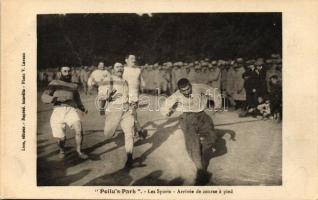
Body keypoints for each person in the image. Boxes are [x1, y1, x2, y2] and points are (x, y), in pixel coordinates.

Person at [160, 78, 222, 185]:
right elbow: (166, 105)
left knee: (213, 137)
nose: (187, 92)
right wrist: (166, 112)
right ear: (179, 90)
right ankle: (200, 171)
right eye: (183, 90)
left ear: (190, 85)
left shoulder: (199, 87)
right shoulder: (177, 95)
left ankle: (198, 151)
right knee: (192, 144)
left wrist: (217, 106)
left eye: (188, 89)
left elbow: (214, 92)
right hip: (187, 118)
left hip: (202, 115)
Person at [41, 66, 88, 159]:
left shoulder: (73, 86)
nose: (67, 73)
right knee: (62, 138)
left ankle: (79, 151)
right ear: (60, 73)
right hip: (58, 111)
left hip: (71, 110)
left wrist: (82, 108)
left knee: (79, 130)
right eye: (65, 71)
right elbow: (44, 97)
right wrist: (56, 99)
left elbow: (77, 99)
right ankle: (62, 150)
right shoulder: (54, 83)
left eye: (69, 71)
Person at [99, 62, 136, 168]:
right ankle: (111, 130)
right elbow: (102, 95)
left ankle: (129, 157)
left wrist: (132, 103)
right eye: (117, 67)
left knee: (129, 132)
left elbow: (128, 96)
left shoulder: (125, 81)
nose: (120, 69)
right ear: (113, 69)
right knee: (108, 134)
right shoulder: (108, 80)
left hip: (125, 109)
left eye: (121, 67)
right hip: (113, 110)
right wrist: (103, 105)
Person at [122, 54, 147, 139]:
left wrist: (142, 85)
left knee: (132, 114)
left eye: (134, 58)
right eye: (131, 58)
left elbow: (142, 81)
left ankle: (137, 132)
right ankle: (139, 132)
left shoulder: (138, 70)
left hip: (134, 96)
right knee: (130, 114)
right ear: (126, 60)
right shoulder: (122, 69)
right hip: (124, 95)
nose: (134, 60)